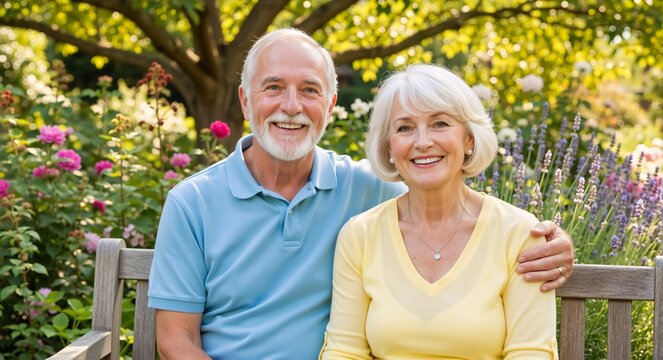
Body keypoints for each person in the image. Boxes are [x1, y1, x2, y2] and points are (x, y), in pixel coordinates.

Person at [148, 28, 572, 360]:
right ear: (245, 101)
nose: (292, 106)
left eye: (310, 90)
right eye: (273, 87)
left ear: (331, 104)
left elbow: (447, 196)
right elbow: (175, 341)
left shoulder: (366, 189)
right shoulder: (193, 203)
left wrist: (555, 242)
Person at [320, 64, 558, 359]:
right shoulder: (360, 236)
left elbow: (530, 352)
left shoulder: (519, 234)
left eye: (440, 124)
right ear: (389, 148)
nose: (422, 142)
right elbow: (345, 351)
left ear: (469, 138)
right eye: (405, 128)